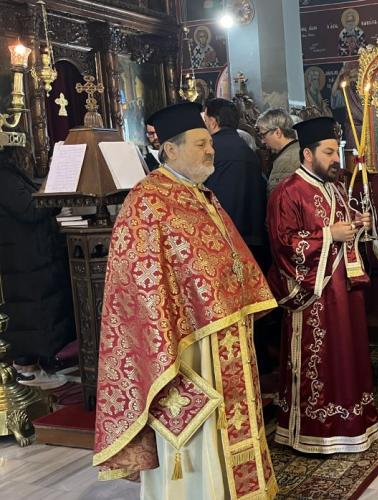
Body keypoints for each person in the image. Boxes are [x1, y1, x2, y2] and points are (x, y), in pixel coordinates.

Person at [92, 102, 278, 499]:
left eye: (209, 143)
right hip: (185, 349)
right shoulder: (148, 201)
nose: (211, 151)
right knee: (197, 434)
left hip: (224, 335)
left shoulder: (200, 194)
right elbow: (138, 285)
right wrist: (169, 337)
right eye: (200, 144)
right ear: (171, 149)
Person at [267, 116, 378, 453]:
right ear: (307, 154)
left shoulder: (336, 188)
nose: (336, 160)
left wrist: (359, 224)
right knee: (321, 359)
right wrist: (329, 234)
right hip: (315, 295)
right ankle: (315, 430)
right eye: (328, 153)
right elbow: (283, 244)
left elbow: (344, 231)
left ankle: (350, 423)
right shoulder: (288, 192)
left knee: (347, 355)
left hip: (344, 294)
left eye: (337, 152)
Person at [0, 147, 73, 388]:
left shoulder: (11, 173)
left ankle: (40, 362)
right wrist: (52, 183)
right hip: (21, 258)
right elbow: (29, 209)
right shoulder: (4, 175)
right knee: (29, 315)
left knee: (41, 312)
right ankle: (27, 368)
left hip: (32, 255)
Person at [203, 98, 268, 267]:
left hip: (224, 236)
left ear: (213, 121)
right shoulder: (249, 151)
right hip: (253, 237)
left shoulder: (209, 151)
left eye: (205, 119)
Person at [255, 108, 301, 195]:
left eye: (263, 135)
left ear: (277, 132)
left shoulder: (286, 161)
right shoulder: (298, 148)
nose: (262, 141)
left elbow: (277, 198)